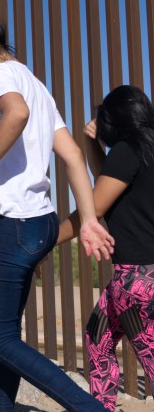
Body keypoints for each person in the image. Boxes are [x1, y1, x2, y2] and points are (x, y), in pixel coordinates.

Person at [0, 0, 113, 411]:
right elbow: (72, 154)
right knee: (6, 334)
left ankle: (89, 408)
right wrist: (88, 218)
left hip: (10, 222)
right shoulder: (35, 84)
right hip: (38, 223)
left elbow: (14, 115)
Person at [55, 85, 154, 411]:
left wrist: (48, 240)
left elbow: (93, 205)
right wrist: (90, 144)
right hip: (137, 277)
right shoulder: (144, 149)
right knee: (97, 341)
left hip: (135, 280)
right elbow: (109, 180)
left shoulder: (129, 150)